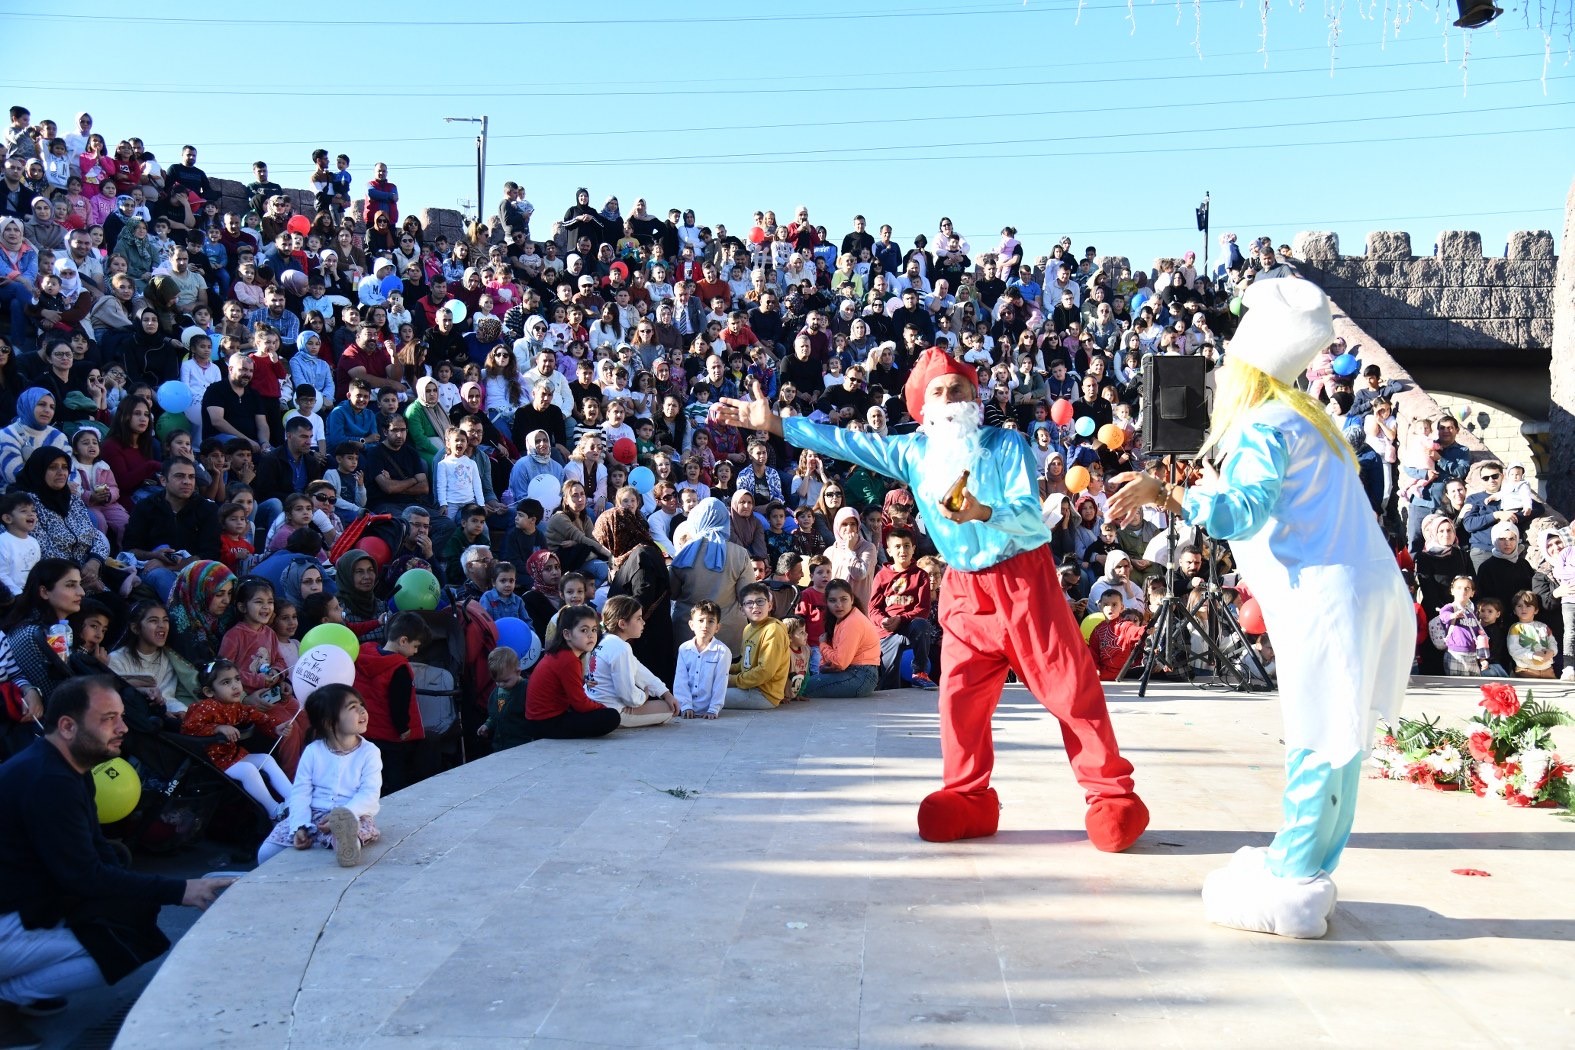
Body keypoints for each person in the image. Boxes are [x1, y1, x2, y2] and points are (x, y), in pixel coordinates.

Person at [714, 348, 1147, 850]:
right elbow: (848, 442)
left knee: (1070, 690)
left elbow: (1032, 518)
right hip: (963, 590)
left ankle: (1112, 796)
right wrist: (776, 426)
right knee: (958, 700)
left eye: (958, 389)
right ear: (923, 406)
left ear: (974, 397)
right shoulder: (912, 452)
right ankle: (967, 796)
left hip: (1025, 583)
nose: (949, 399)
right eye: (938, 391)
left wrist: (982, 511)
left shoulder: (1005, 444)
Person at [1108, 278, 1411, 939]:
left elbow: (1237, 512)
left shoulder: (1261, 425)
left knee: (1315, 734)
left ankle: (1293, 878)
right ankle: (1302, 863)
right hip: (1364, 588)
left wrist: (1168, 495)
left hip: (1324, 596)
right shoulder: (1310, 419)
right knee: (1339, 738)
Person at [0, 676, 231, 1042]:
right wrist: (183, 889)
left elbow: (97, 848)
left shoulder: (66, 767)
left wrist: (136, 894)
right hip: (9, 916)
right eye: (109, 718)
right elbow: (84, 876)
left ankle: (23, 987)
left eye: (121, 716)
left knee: (132, 916)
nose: (123, 727)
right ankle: (7, 995)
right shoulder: (49, 781)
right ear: (67, 726)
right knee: (127, 940)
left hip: (27, 900)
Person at [256, 684, 383, 868]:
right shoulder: (313, 751)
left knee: (346, 837)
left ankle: (347, 847)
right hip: (313, 815)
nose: (362, 710)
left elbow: (369, 794)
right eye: (352, 708)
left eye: (361, 705)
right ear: (327, 721)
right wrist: (299, 825)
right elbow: (300, 791)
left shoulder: (369, 752)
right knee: (266, 851)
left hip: (350, 814)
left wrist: (344, 814)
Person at [179, 658, 293, 820]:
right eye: (226, 682)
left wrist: (276, 728)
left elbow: (259, 717)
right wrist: (217, 728)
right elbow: (188, 729)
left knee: (266, 759)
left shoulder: (236, 707)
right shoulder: (204, 707)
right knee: (248, 770)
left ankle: (294, 799)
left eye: (237, 679)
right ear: (209, 692)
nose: (235, 686)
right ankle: (274, 811)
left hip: (233, 755)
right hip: (212, 760)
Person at [352, 611, 431, 795]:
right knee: (396, 777)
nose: (416, 652)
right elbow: (398, 703)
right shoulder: (399, 668)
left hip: (366, 730)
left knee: (372, 776)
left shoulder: (364, 653)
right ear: (403, 641)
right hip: (391, 735)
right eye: (415, 646)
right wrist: (403, 728)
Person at [524, 604, 621, 740]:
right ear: (567, 634)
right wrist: (603, 707)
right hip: (545, 723)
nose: (591, 635)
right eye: (583, 630)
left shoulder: (563, 654)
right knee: (612, 717)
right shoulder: (568, 659)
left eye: (594, 630)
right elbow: (580, 704)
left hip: (541, 719)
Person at [670, 496, 753, 654]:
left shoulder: (684, 553)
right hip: (728, 637)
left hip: (689, 633)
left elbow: (673, 593)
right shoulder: (740, 554)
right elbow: (746, 596)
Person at [586, 596, 678, 727]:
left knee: (667, 701)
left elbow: (639, 670)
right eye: (638, 618)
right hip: (614, 711)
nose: (643, 622)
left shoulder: (606, 640)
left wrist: (664, 692)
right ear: (622, 624)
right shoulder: (620, 648)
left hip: (595, 705)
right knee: (668, 709)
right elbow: (627, 695)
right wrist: (643, 697)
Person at [869, 527, 937, 689]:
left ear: (913, 548)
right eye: (897, 546)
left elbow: (923, 609)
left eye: (907, 545)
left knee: (922, 624)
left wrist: (902, 619)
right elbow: (873, 609)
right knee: (889, 678)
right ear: (889, 551)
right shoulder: (881, 576)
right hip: (887, 631)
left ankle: (919, 672)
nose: (903, 550)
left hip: (910, 627)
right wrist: (883, 620)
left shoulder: (921, 576)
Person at [799, 579, 881, 699]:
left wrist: (822, 645)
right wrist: (824, 665)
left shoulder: (852, 621)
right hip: (853, 673)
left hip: (861, 676)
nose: (838, 605)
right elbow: (833, 659)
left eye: (844, 599)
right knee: (802, 684)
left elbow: (840, 663)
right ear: (826, 602)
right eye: (832, 600)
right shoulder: (841, 619)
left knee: (801, 687)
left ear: (852, 599)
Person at [726, 582, 791, 710]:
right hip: (749, 687)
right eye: (749, 603)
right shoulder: (748, 629)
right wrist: (722, 670)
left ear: (770, 605)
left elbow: (765, 671)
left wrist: (730, 680)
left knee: (710, 698)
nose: (755, 606)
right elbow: (744, 664)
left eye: (760, 601)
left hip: (763, 694)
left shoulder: (773, 630)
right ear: (742, 610)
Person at [675, 600, 730, 719]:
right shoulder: (684, 649)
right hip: (685, 709)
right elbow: (680, 680)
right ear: (691, 624)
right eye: (700, 620)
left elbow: (720, 683)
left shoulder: (722, 651)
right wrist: (685, 706)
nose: (705, 625)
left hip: (708, 709)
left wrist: (713, 709)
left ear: (717, 627)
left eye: (711, 621)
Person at [478, 647, 533, 752]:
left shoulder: (526, 689)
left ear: (518, 672)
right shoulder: (497, 692)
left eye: (505, 681)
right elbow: (495, 716)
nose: (501, 685)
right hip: (500, 747)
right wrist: (487, 725)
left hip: (521, 746)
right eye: (497, 681)